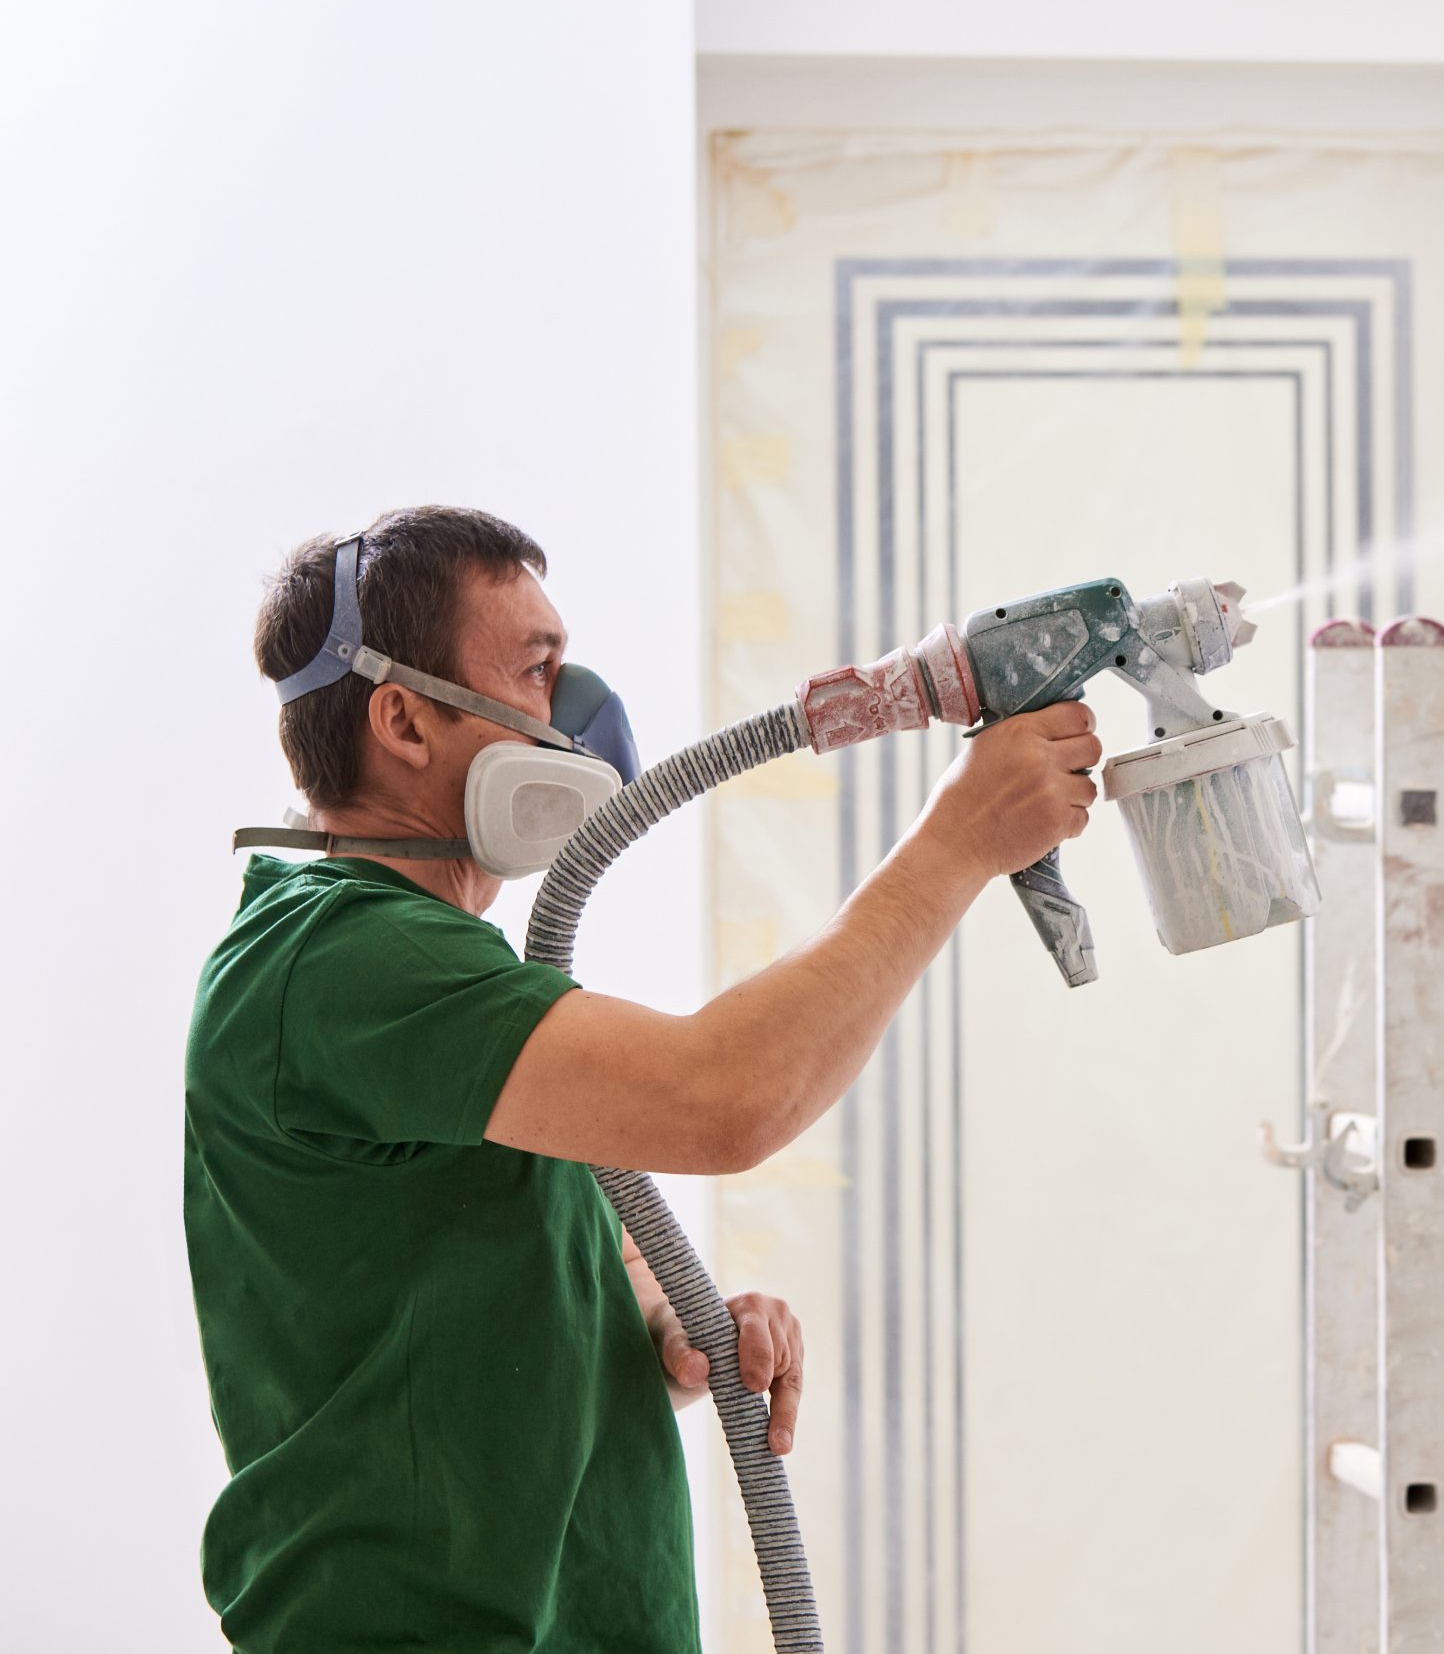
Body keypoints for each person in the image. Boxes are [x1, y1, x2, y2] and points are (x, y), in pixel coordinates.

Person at [185, 504, 1097, 1652]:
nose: (575, 714)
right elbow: (721, 1099)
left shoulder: (448, 981)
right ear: (404, 719)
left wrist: (678, 1327)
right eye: (536, 669)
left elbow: (537, 1278)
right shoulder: (341, 958)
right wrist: (961, 839)